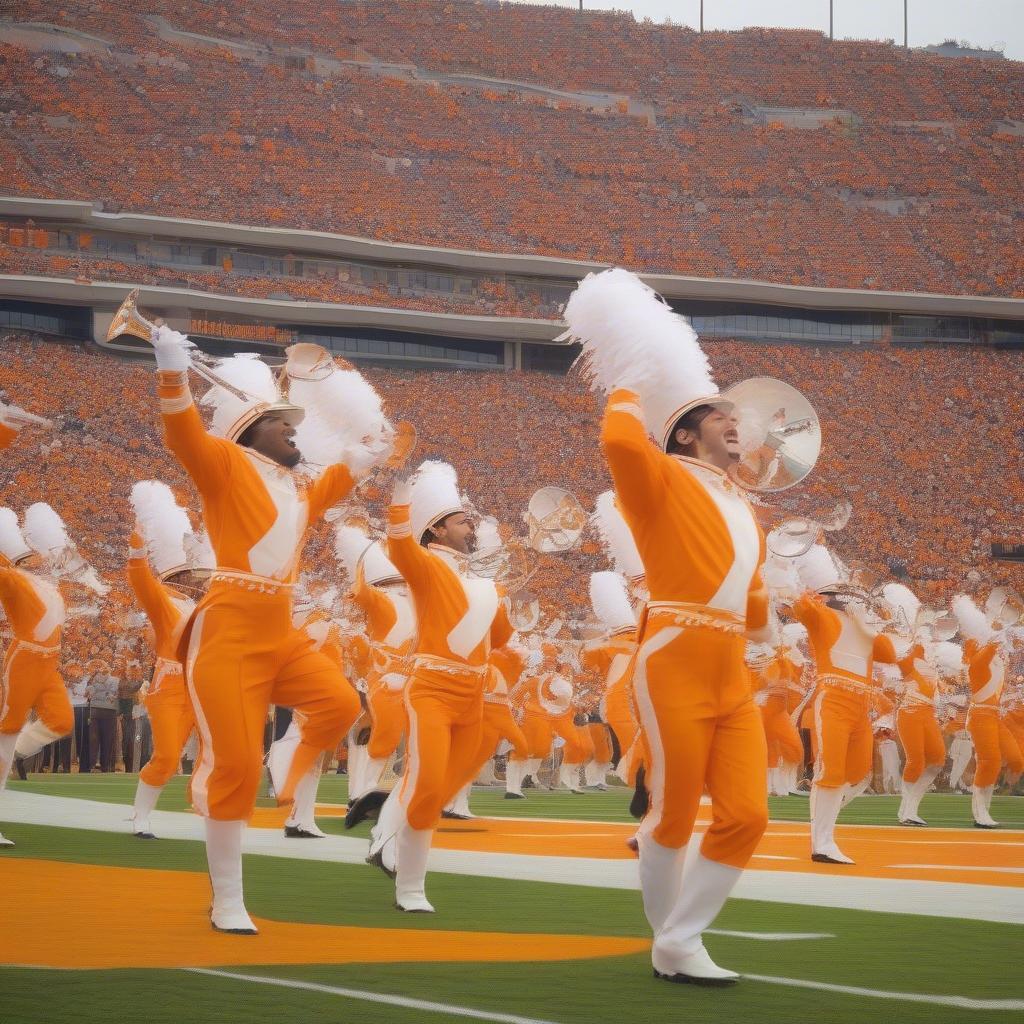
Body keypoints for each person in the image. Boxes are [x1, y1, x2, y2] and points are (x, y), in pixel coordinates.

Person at [562, 268, 774, 985]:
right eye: (719, 413)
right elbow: (622, 446)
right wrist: (630, 377)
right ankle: (676, 944)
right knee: (674, 812)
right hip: (675, 654)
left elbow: (752, 610)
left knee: (748, 813)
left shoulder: (748, 507)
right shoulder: (658, 476)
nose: (735, 418)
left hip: (729, 666)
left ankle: (678, 937)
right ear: (684, 432)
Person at [146, 325, 387, 932]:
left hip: (279, 633)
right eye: (283, 423)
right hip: (226, 630)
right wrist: (171, 367)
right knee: (236, 768)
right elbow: (182, 435)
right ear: (253, 429)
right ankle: (228, 897)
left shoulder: (299, 485)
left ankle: (286, 751)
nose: (294, 430)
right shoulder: (226, 463)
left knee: (337, 704)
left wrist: (367, 453)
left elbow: (340, 478)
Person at [349, 460, 513, 913]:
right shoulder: (424, 566)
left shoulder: (481, 581)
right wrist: (405, 493)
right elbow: (400, 544)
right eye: (463, 521)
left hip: (473, 698)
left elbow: (498, 641)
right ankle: (410, 887)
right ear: (437, 529)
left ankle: (384, 831)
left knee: (439, 789)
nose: (471, 526)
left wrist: (503, 604)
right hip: (433, 692)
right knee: (424, 787)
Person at [0, 503, 104, 847]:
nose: (39, 558)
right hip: (25, 660)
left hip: (49, 664)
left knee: (61, 721)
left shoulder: (51, 585)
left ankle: (12, 754)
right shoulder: (13, 578)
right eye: (30, 556)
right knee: (7, 729)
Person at [789, 544, 898, 864]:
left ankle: (823, 830)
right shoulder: (824, 615)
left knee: (858, 772)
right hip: (833, 698)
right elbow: (802, 609)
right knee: (831, 769)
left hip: (860, 705)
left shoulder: (864, 629)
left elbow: (890, 655)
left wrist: (867, 625)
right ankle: (821, 842)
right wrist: (804, 589)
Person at [126, 480, 211, 839]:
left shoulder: (207, 604)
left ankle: (208, 810)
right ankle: (140, 816)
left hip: (205, 687)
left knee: (217, 753)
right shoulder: (166, 602)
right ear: (180, 574)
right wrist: (138, 548)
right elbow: (142, 583)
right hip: (171, 687)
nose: (201, 577)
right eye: (194, 573)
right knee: (166, 756)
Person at [954, 594, 1022, 828]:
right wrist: (993, 640)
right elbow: (980, 660)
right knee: (990, 760)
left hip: (995, 715)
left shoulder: (996, 659)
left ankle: (985, 804)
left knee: (1014, 758)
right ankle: (980, 812)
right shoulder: (978, 663)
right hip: (980, 715)